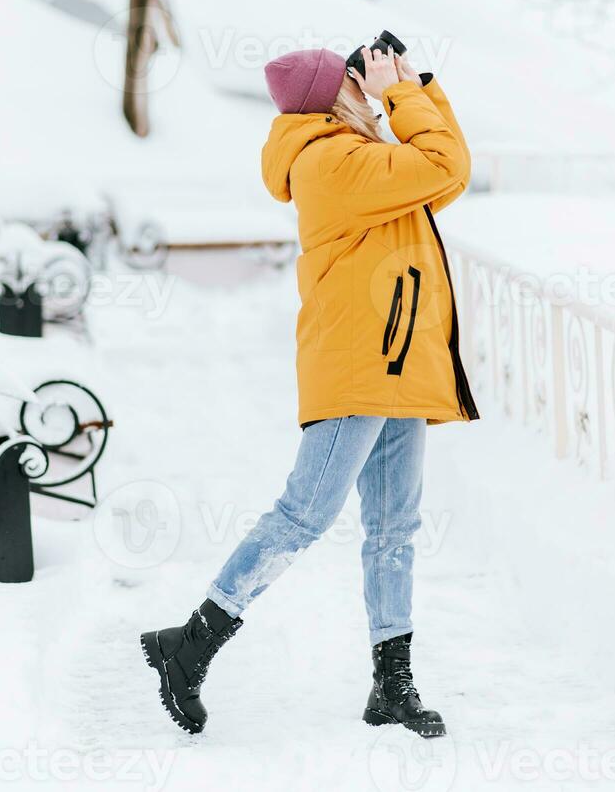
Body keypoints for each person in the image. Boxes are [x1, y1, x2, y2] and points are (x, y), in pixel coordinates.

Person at [141, 44, 479, 737]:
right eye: (361, 79)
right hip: (359, 364)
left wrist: (417, 88)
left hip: (395, 367)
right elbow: (444, 164)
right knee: (302, 515)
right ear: (336, 94)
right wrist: (402, 98)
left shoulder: (361, 154)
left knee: (393, 529)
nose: (371, 85)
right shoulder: (330, 161)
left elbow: (443, 182)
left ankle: (393, 685)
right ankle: (191, 642)